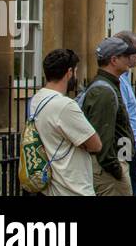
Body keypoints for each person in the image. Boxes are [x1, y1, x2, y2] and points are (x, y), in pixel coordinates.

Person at [29, 48, 101, 196]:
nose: (76, 76)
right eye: (75, 71)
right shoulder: (65, 105)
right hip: (72, 188)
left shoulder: (36, 99)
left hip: (50, 188)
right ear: (69, 72)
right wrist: (79, 142)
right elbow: (95, 145)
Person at [81, 36, 136, 196]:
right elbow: (102, 138)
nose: (130, 59)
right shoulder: (104, 91)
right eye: (125, 56)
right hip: (108, 171)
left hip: (114, 164)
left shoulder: (109, 85)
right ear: (114, 59)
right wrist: (116, 169)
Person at [112, 31, 136, 194]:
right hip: (126, 144)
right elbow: (123, 116)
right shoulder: (118, 81)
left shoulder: (125, 77)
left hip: (133, 143)